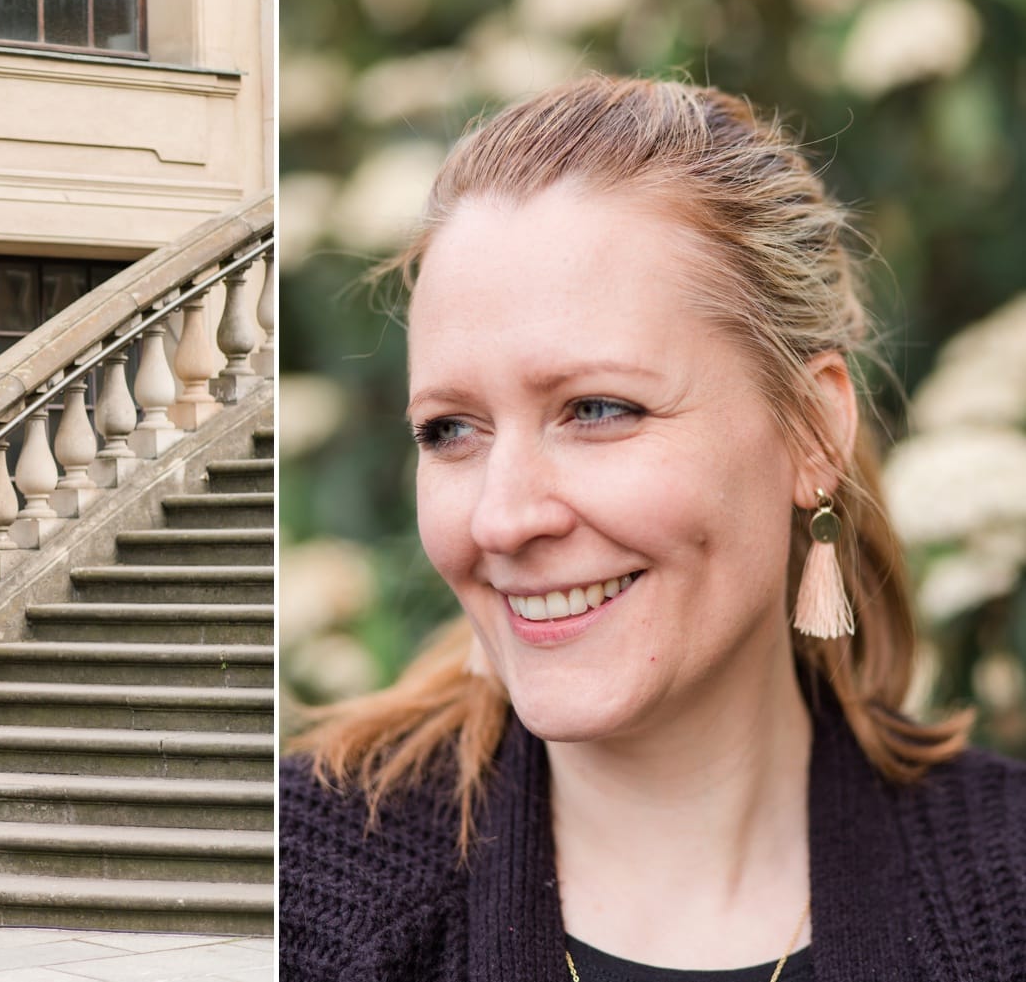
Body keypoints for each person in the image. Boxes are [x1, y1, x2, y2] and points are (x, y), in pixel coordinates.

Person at [279, 76, 1026, 981]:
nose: (503, 517)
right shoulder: (304, 896)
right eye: (451, 429)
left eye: (596, 408)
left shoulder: (1003, 894)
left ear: (812, 431)